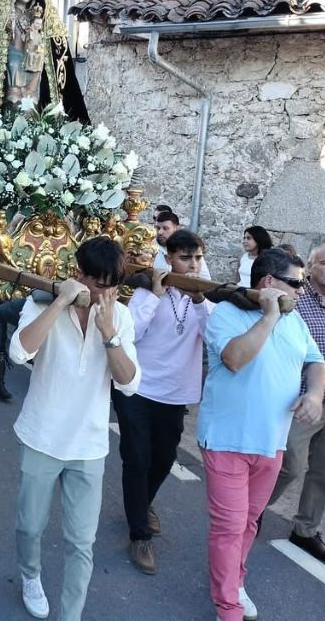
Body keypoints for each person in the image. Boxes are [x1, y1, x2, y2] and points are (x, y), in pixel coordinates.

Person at [9, 236, 141, 621]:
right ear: (79, 274)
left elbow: (129, 384)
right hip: (41, 436)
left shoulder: (120, 316)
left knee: (82, 542)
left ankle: (71, 615)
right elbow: (19, 352)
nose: (105, 294)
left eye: (113, 286)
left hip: (89, 445)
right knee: (29, 526)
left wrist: (109, 334)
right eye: (98, 284)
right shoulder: (41, 303)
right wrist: (60, 302)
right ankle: (30, 575)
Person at [197, 248, 325, 621]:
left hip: (272, 442)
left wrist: (315, 395)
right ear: (269, 282)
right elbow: (235, 358)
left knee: (249, 521)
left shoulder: (295, 320)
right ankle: (228, 607)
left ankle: (235, 581)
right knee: (230, 526)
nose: (303, 290)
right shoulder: (227, 313)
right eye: (296, 283)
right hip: (227, 440)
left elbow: (315, 362)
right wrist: (269, 315)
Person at [116, 229, 212, 575]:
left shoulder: (205, 296)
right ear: (169, 258)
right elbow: (130, 333)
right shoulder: (148, 290)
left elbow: (214, 337)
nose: (193, 265)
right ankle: (139, 535)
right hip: (137, 388)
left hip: (175, 393)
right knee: (137, 459)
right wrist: (155, 296)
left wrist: (199, 300)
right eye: (185, 258)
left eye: (197, 258)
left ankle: (143, 504)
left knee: (164, 458)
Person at [266, 244, 325, 566]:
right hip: (300, 403)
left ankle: (305, 530)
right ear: (310, 267)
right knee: (289, 466)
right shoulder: (294, 301)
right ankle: (251, 510)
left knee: (324, 473)